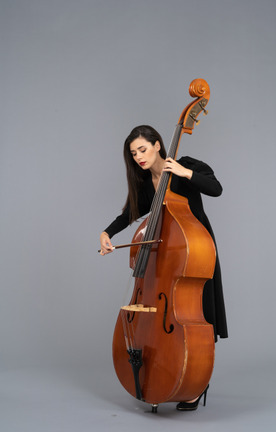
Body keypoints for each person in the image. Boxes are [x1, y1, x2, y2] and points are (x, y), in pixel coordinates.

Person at [99, 125, 228, 411]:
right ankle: (171, 378)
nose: (139, 157)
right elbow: (130, 213)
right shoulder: (147, 185)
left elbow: (216, 189)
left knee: (200, 313)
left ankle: (195, 383)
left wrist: (185, 174)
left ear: (158, 145)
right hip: (166, 258)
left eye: (142, 150)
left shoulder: (185, 166)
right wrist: (107, 233)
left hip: (193, 251)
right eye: (133, 154)